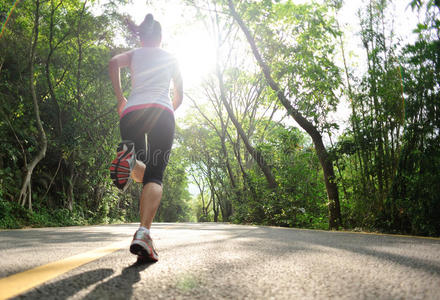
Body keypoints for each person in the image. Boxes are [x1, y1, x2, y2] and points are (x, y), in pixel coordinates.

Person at [108, 13, 183, 263]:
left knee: (142, 170)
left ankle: (129, 161)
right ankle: (144, 233)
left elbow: (113, 63)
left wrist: (121, 99)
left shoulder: (134, 54)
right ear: (160, 38)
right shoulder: (171, 57)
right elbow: (179, 96)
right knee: (155, 175)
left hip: (131, 113)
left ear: (142, 39)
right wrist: (166, 110)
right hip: (161, 112)